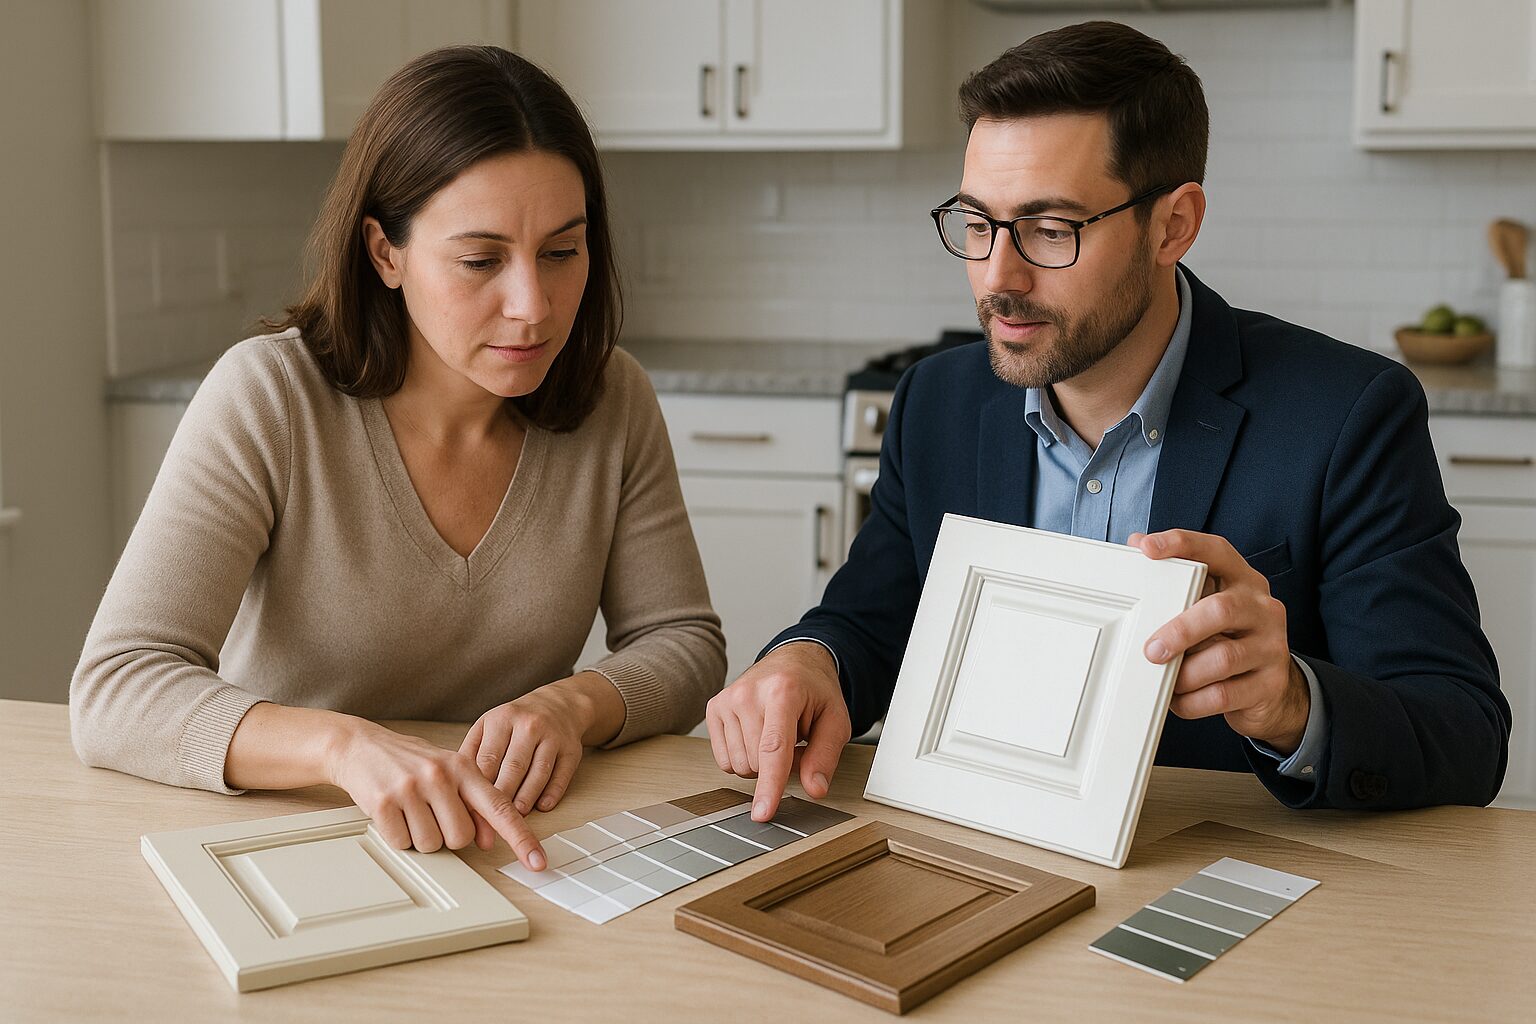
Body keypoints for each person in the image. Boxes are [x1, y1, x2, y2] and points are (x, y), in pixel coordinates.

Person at [707, 20, 1508, 821]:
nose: (998, 277)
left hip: (1218, 880)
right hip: (979, 856)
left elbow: (1464, 735)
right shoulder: (936, 404)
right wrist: (809, 660)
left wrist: (1292, 702)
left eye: (1052, 231)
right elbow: (868, 621)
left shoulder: (1346, 414)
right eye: (978, 224)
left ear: (1175, 224)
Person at [71, 46, 726, 870]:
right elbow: (117, 689)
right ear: (386, 253)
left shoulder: (611, 398)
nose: (534, 306)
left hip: (514, 844)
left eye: (562, 252)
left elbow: (684, 641)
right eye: (481, 260)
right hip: (290, 844)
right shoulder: (269, 396)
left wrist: (577, 704)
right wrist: (343, 751)